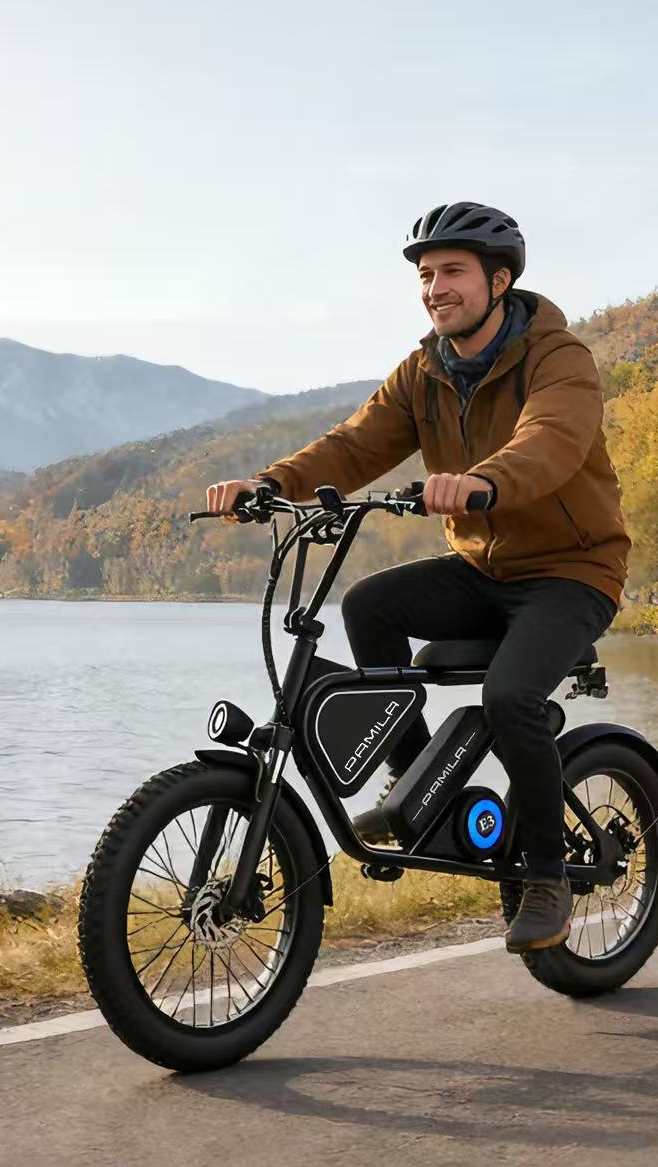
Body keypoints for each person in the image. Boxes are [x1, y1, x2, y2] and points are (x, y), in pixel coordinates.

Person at [205, 201, 628, 953]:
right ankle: (417, 791)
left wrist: (482, 481)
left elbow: (553, 440)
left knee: (509, 697)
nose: (436, 287)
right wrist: (268, 484)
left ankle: (545, 873)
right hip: (482, 566)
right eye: (427, 275)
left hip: (573, 569)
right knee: (370, 605)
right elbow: (354, 445)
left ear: (499, 281)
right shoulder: (423, 371)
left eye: (453, 272)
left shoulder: (557, 357)